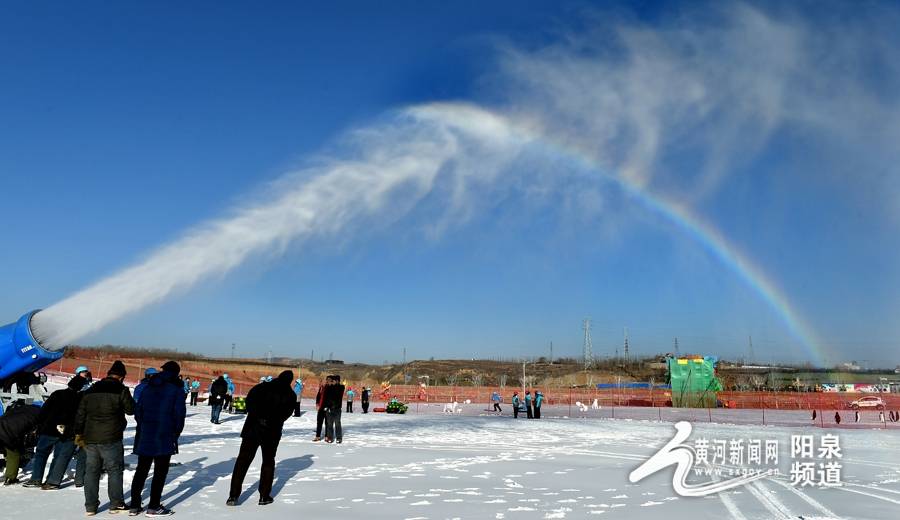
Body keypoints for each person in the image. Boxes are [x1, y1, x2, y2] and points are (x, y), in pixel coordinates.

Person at [73, 360, 135, 515]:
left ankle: (90, 507)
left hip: (91, 437)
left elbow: (80, 414)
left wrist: (79, 433)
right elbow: (130, 410)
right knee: (114, 470)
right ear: (121, 377)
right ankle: (116, 504)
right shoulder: (121, 390)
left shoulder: (91, 389)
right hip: (111, 437)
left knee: (91, 471)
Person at [227, 370, 296, 506]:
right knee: (268, 463)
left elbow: (249, 402)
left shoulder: (262, 387)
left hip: (252, 428)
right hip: (272, 432)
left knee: (242, 461)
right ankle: (264, 496)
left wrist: (258, 417)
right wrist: (271, 420)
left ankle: (233, 496)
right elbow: (286, 414)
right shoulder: (290, 395)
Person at [129, 361, 186, 516]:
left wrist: (144, 426)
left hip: (146, 433)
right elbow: (179, 416)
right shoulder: (177, 390)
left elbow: (138, 411)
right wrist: (175, 433)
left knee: (141, 470)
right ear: (176, 373)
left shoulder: (148, 387)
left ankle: (134, 505)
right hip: (164, 434)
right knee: (160, 472)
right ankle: (153, 506)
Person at [23, 374, 89, 489]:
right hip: (68, 432)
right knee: (59, 457)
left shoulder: (57, 394)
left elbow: (44, 411)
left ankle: (36, 479)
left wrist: (38, 424)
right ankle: (52, 481)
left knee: (41, 454)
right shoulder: (82, 400)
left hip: (50, 429)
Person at [0, 401, 41, 485]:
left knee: (9, 450)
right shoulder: (39, 414)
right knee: (13, 454)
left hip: (2, 425)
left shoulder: (22, 409)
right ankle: (10, 478)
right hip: (10, 433)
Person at [323, 375, 345, 443]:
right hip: (329, 409)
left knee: (337, 424)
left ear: (337, 381)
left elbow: (338, 392)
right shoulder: (329, 388)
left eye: (334, 381)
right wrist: (326, 406)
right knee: (329, 424)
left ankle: (339, 438)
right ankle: (330, 438)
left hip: (337, 409)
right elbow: (326, 398)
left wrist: (334, 385)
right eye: (332, 381)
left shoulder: (340, 388)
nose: (332, 382)